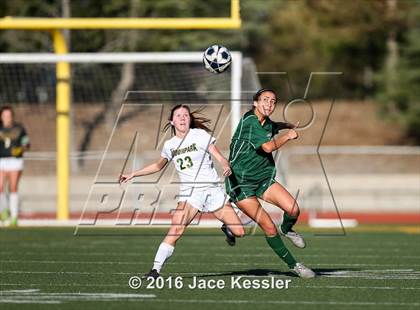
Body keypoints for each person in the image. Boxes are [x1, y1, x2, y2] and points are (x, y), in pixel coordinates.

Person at [120, 104, 244, 278]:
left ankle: (226, 227)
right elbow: (157, 166)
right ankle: (155, 270)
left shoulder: (200, 135)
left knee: (240, 232)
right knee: (176, 230)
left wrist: (224, 163)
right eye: (178, 115)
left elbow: (218, 155)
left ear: (190, 119)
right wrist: (133, 174)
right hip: (190, 193)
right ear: (172, 121)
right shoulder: (170, 145)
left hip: (212, 189)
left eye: (185, 115)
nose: (183, 118)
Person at [225, 88, 316, 278]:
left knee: (293, 209)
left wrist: (286, 125)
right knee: (268, 227)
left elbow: (273, 126)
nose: (269, 104)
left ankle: (287, 229)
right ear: (255, 103)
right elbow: (267, 147)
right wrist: (287, 135)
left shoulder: (265, 122)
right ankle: (295, 265)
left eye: (273, 101)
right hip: (241, 184)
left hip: (262, 179)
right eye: (265, 100)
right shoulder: (249, 122)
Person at [0, 106, 30, 227]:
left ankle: (14, 217)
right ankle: (3, 211)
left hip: (15, 161)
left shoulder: (19, 128)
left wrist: (20, 149)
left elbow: (27, 144)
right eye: (4, 116)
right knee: (0, 187)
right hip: (1, 160)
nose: (7, 118)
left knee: (13, 187)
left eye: (8, 115)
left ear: (12, 116)